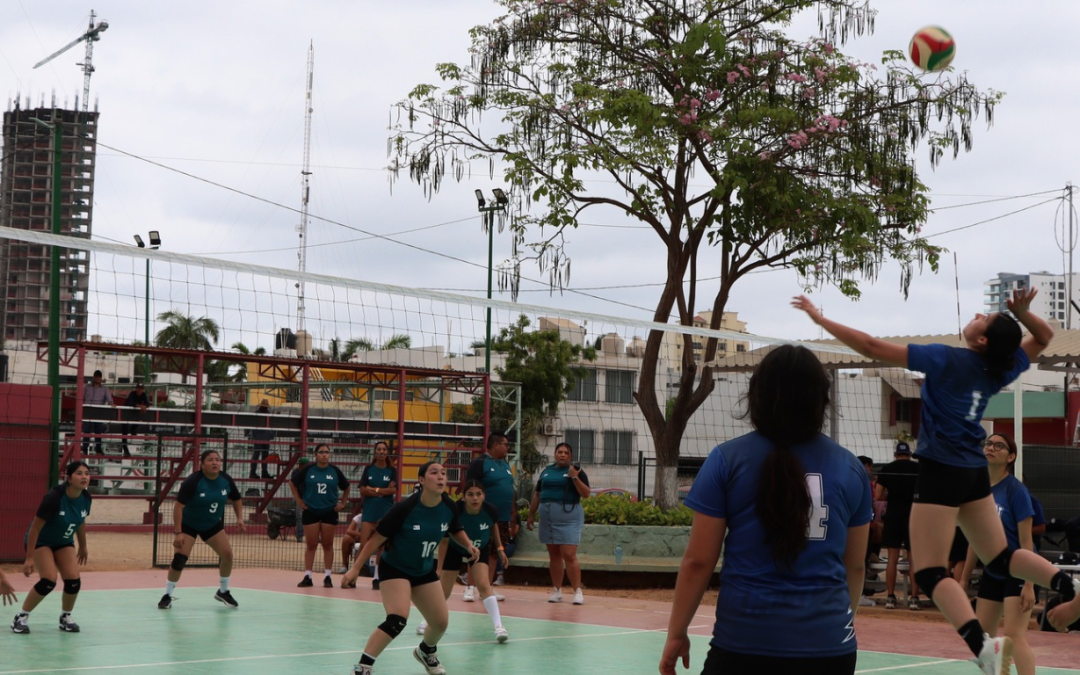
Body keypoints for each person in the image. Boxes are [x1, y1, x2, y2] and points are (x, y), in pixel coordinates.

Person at [793, 290, 1080, 674]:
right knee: (1002, 558)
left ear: (981, 340)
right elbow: (1043, 337)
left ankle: (984, 646)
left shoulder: (945, 358)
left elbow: (871, 345)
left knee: (929, 572)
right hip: (972, 472)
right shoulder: (1001, 367)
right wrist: (1025, 314)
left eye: (984, 318)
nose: (978, 313)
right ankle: (1069, 586)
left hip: (941, 472)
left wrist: (820, 320)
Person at [660, 345, 871, 675]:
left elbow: (699, 561)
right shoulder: (851, 468)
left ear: (756, 395)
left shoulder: (727, 459)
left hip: (744, 644)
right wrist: (838, 627)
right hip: (829, 648)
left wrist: (677, 633)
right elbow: (854, 566)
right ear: (822, 399)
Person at [342, 461, 480, 675]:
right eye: (434, 473)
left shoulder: (449, 506)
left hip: (423, 570)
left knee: (440, 623)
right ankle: (363, 667)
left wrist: (468, 544)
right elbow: (376, 538)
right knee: (397, 618)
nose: (441, 477)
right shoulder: (405, 508)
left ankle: (426, 651)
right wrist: (355, 569)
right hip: (395, 567)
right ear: (422, 480)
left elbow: (454, 529)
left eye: (443, 473)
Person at [960, 433, 1036, 675]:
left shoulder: (1016, 491)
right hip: (992, 571)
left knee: (1014, 635)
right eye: (988, 444)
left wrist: (1029, 584)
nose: (991, 448)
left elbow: (1027, 542)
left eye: (999, 446)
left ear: (1010, 457)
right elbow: (976, 539)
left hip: (1018, 571)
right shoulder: (978, 491)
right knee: (983, 640)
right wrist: (963, 578)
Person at [415, 480, 510, 642]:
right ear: (464, 497)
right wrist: (439, 568)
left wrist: (500, 549)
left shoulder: (490, 510)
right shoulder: (455, 511)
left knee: (484, 585)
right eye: (470, 494)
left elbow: (493, 527)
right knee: (444, 591)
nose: (475, 498)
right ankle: (428, 620)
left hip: (480, 549)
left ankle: (499, 627)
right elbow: (445, 540)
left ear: (484, 496)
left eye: (479, 494)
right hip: (455, 548)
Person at [158, 448, 246, 610]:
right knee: (179, 560)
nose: (215, 462)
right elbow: (178, 508)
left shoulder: (226, 480)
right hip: (189, 524)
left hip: (211, 524)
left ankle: (223, 591)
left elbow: (237, 499)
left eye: (217, 460)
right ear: (202, 464)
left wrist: (239, 518)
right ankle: (167, 595)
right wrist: (178, 533)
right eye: (210, 460)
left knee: (227, 555)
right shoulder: (192, 482)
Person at [11, 461, 93, 634]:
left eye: (86, 473)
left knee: (73, 581)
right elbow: (35, 528)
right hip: (42, 541)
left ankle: (65, 617)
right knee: (48, 580)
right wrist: (29, 557)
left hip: (63, 541)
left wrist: (83, 546)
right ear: (69, 478)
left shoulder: (86, 497)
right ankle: (21, 617)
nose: (84, 476)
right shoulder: (54, 497)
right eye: (79, 473)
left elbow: (80, 520)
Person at [526, 442, 591, 605]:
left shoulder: (577, 471)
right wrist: (530, 514)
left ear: (570, 456)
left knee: (568, 554)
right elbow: (537, 494)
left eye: (566, 453)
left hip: (569, 517)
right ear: (555, 454)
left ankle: (577, 591)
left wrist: (574, 477)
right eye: (559, 452)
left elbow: (586, 493)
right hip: (548, 518)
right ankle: (557, 590)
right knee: (554, 555)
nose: (562, 455)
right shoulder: (546, 472)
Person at [291, 443, 350, 588]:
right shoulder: (308, 469)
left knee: (327, 544)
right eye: (321, 452)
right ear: (316, 454)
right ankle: (308, 576)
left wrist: (343, 502)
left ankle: (328, 576)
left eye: (327, 452)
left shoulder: (334, 470)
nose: (325, 454)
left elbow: (346, 486)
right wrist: (298, 500)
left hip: (329, 511)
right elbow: (292, 483)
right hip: (311, 510)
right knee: (311, 544)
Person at [464, 432, 514, 594]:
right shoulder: (480, 463)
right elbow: (470, 489)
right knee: (476, 550)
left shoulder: (505, 465)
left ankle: (487, 588)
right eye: (505, 444)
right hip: (482, 517)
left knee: (494, 553)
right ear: (496, 445)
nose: (508, 447)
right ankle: (470, 587)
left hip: (502, 517)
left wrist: (513, 513)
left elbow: (509, 490)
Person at [876, 442, 922, 610]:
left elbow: (879, 495)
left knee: (892, 559)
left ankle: (890, 597)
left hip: (893, 515)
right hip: (913, 515)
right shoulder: (918, 469)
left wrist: (893, 495)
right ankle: (915, 598)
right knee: (913, 559)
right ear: (909, 454)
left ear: (895, 455)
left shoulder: (887, 469)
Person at [355, 441, 398, 587]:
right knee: (364, 545)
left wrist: (374, 489)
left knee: (381, 546)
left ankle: (376, 577)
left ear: (387, 452)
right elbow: (362, 490)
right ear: (375, 452)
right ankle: (354, 575)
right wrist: (382, 490)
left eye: (384, 449)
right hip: (369, 511)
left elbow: (393, 491)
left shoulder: (392, 470)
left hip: (385, 512)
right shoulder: (369, 469)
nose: (381, 451)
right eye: (379, 449)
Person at [81, 370, 113, 457]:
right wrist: (83, 408)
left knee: (98, 431)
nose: (98, 378)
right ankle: (84, 448)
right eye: (96, 376)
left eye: (99, 377)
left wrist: (112, 404)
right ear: (94, 377)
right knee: (86, 430)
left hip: (98, 412)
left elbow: (109, 400)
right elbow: (81, 399)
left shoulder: (105, 389)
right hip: (88, 411)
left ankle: (98, 449)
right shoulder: (87, 387)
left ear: (101, 378)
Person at [120, 382, 151, 457]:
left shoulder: (143, 395)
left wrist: (144, 407)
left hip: (134, 415)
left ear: (143, 390)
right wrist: (140, 406)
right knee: (125, 432)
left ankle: (133, 429)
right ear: (136, 388)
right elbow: (129, 403)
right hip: (126, 414)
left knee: (139, 419)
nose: (139, 390)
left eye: (141, 389)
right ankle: (126, 451)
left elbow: (147, 403)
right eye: (138, 388)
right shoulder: (132, 393)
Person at [248, 400, 275, 480]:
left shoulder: (261, 413)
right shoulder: (263, 414)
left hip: (263, 436)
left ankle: (261, 473)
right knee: (258, 454)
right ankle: (255, 473)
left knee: (263, 455)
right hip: (261, 436)